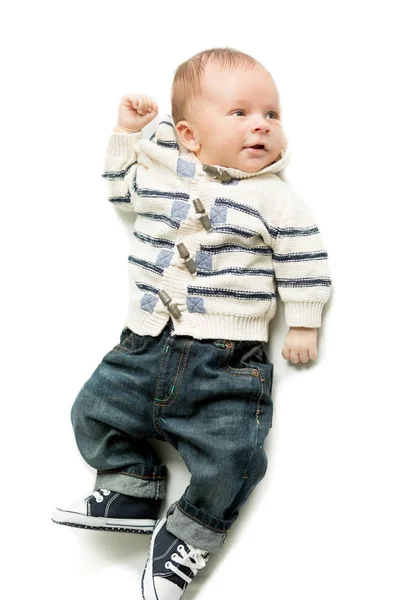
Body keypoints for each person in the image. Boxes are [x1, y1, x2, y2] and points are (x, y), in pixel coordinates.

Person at [52, 47, 332, 600]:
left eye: (271, 115)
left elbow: (304, 259)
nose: (261, 125)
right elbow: (118, 189)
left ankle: (186, 536)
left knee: (235, 458)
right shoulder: (161, 174)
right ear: (189, 135)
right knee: (91, 412)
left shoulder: (276, 199)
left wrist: (304, 321)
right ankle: (131, 488)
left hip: (226, 362)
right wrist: (126, 135)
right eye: (241, 113)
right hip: (144, 343)